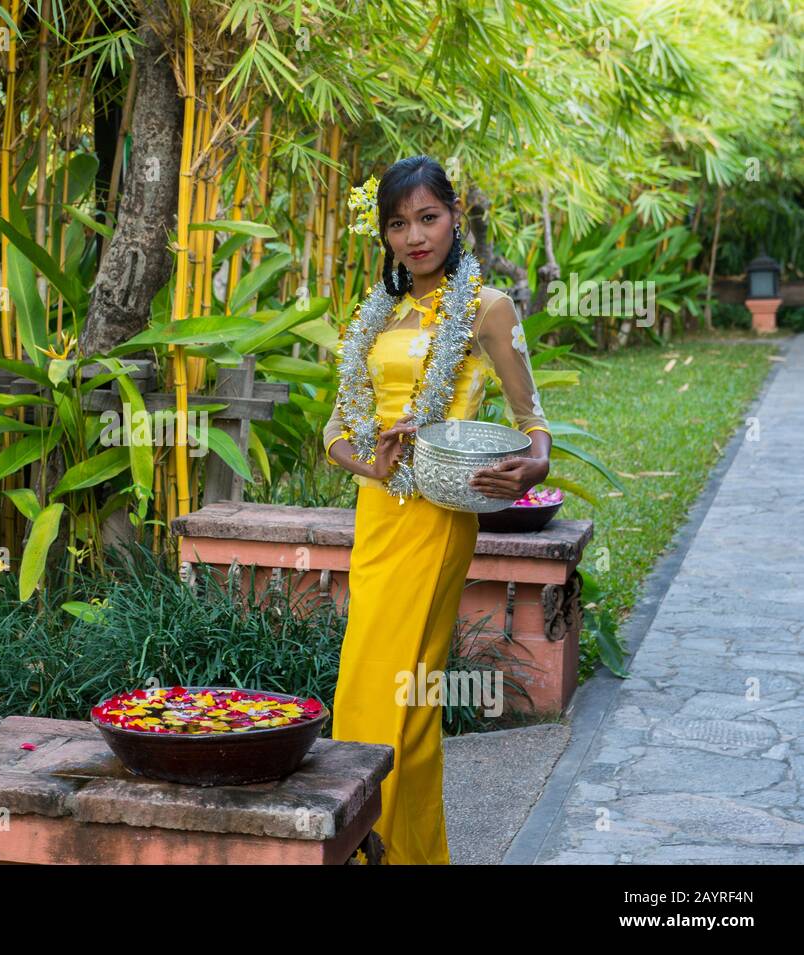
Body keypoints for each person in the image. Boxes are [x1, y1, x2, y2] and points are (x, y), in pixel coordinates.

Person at [323, 156, 553, 864]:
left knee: (404, 694)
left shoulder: (487, 308)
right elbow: (335, 433)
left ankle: (387, 850)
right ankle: (383, 849)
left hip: (438, 516)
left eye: (428, 217)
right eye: (398, 223)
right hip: (379, 514)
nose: (415, 236)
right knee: (371, 689)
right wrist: (373, 461)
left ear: (456, 216)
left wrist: (535, 462)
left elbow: (531, 415)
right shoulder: (377, 313)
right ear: (385, 234)